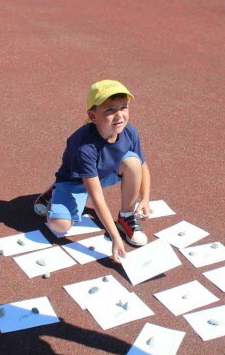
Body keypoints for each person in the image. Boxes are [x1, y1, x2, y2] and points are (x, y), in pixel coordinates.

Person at [33, 80, 153, 261]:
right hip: (76, 182)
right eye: (110, 110)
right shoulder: (84, 147)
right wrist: (114, 237)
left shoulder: (129, 132)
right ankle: (55, 191)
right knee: (60, 225)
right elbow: (97, 197)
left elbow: (143, 166)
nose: (119, 115)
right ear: (93, 116)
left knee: (133, 162)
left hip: (105, 173)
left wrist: (145, 198)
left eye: (124, 107)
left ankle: (126, 216)